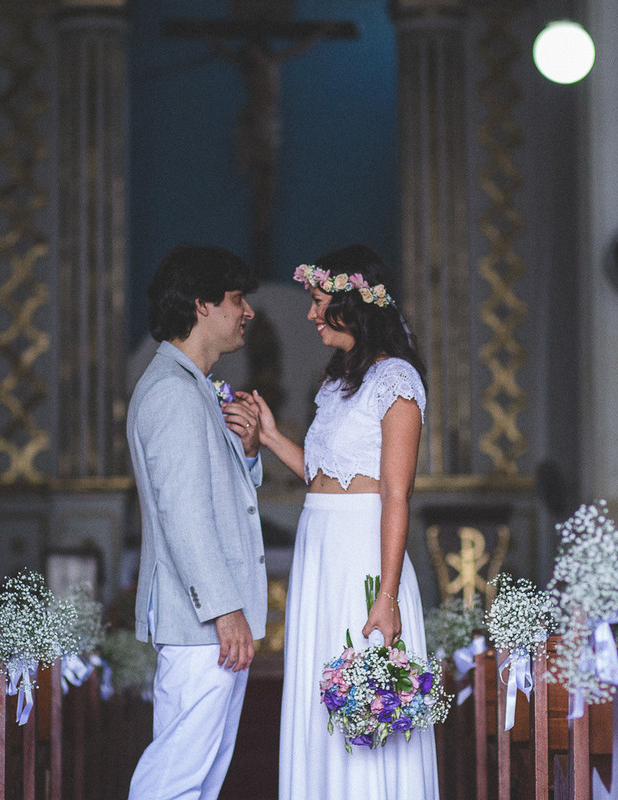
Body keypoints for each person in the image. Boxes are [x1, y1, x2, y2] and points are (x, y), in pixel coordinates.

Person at [246, 244, 440, 798]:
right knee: (319, 682)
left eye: (318, 301)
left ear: (353, 306)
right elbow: (323, 472)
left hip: (364, 549)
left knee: (366, 690)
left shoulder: (396, 380)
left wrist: (387, 597)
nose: (309, 314)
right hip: (319, 545)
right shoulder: (336, 383)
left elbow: (395, 494)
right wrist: (270, 434)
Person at [126, 244, 267, 800]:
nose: (248, 312)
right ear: (203, 304)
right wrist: (225, 609)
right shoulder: (173, 393)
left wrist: (249, 450)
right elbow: (183, 516)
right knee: (177, 775)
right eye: (238, 300)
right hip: (199, 620)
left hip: (204, 618)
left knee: (200, 777)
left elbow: (222, 499)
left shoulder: (192, 387)